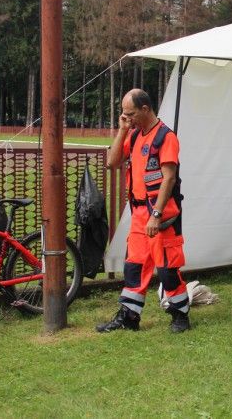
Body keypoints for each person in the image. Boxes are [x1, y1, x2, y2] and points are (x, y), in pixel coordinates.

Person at [96, 89, 190, 334]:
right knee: (134, 266)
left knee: (167, 268)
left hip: (161, 216)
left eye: (131, 114)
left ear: (145, 109)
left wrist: (156, 215)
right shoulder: (135, 135)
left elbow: (169, 179)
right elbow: (112, 162)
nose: (127, 118)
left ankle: (180, 314)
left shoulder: (166, 137)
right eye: (124, 114)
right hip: (139, 214)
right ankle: (129, 316)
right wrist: (122, 130)